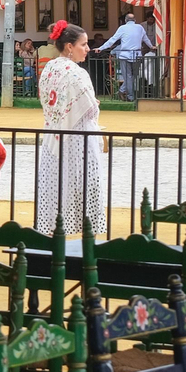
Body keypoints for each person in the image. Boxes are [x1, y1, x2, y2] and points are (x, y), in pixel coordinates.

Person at [36, 23, 106, 237]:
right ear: (69, 46)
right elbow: (90, 106)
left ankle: (51, 238)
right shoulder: (76, 72)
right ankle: (88, 238)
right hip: (79, 139)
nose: (87, 49)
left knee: (54, 188)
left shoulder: (49, 68)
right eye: (83, 45)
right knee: (87, 185)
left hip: (53, 136)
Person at [101, 12, 150, 103]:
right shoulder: (140, 27)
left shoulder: (122, 28)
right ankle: (128, 94)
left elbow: (112, 40)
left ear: (125, 21)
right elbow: (145, 38)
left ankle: (125, 92)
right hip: (137, 54)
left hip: (125, 55)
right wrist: (151, 46)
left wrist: (101, 48)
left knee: (128, 76)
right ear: (135, 20)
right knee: (134, 76)